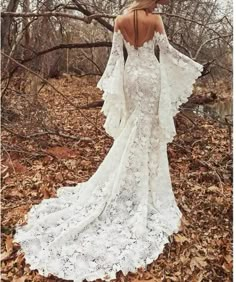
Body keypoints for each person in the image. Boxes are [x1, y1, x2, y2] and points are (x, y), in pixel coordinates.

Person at [13, 0, 203, 281]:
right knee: (145, 130)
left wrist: (113, 88)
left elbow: (115, 58)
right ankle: (141, 184)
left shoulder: (119, 19)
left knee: (133, 128)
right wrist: (191, 68)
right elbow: (168, 53)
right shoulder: (155, 21)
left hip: (130, 77)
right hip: (150, 76)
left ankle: (132, 179)